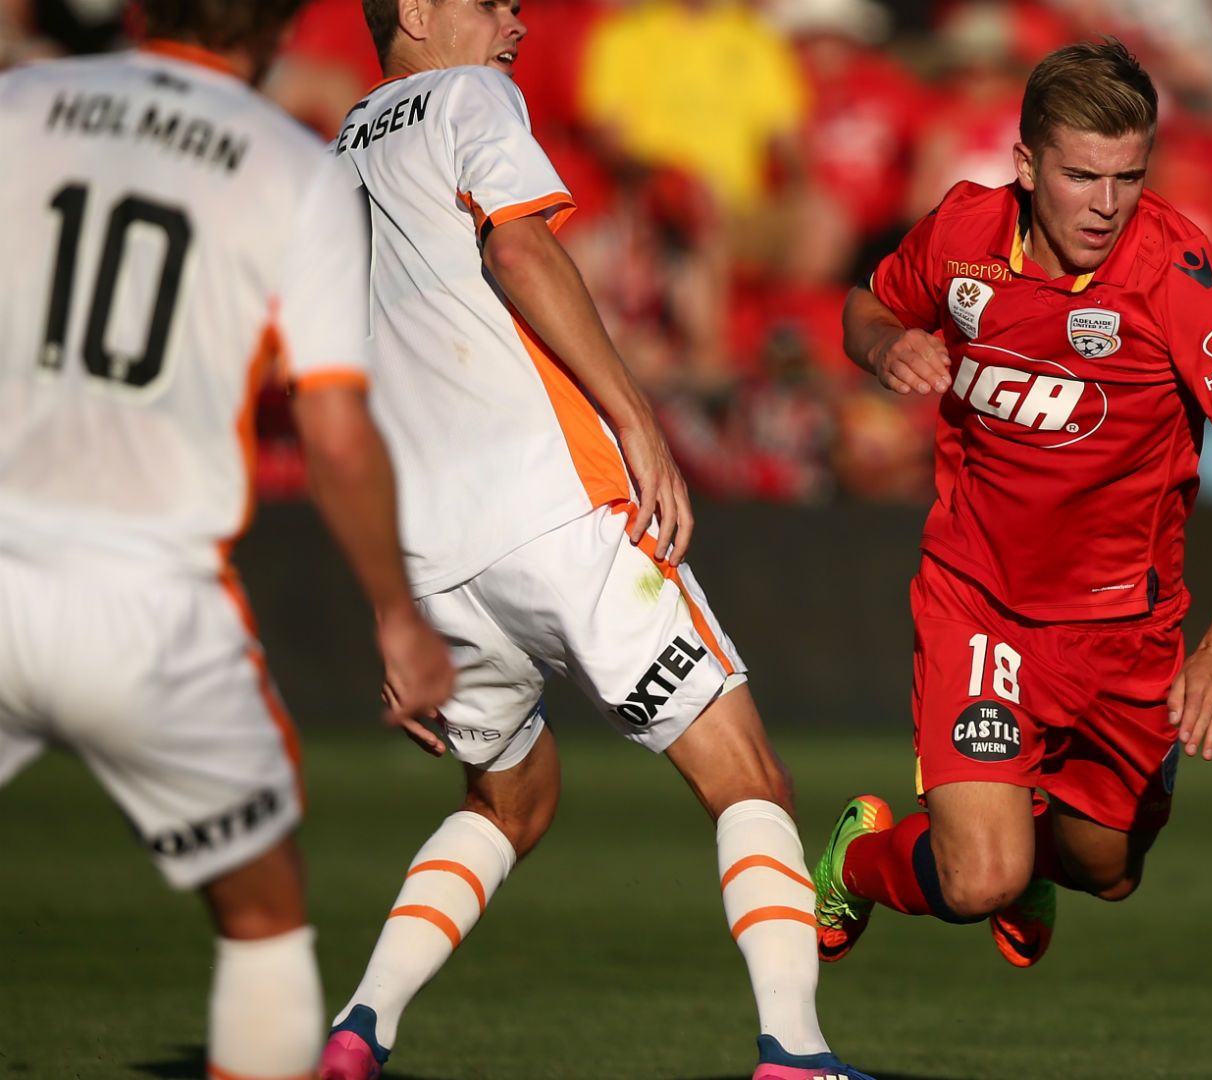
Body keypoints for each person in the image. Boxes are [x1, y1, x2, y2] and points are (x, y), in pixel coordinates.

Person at [317, 3, 871, 1079]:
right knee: (749, 780)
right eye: (490, 1)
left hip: (430, 555)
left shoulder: (336, 158)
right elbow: (521, 245)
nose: (516, 20)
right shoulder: (469, 94)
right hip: (554, 506)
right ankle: (795, 1053)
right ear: (417, 11)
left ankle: (358, 1029)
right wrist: (637, 421)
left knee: (510, 799)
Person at [0, 2, 456, 1077]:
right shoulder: (291, 169)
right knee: (263, 916)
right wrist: (399, 615)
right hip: (155, 600)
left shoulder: (19, 105)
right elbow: (334, 433)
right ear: (283, 29)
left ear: (137, 7)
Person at [814, 40, 1212, 973]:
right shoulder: (961, 233)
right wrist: (884, 347)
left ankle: (1037, 861)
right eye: (1081, 176)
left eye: (1128, 177)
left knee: (1106, 872)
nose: (1107, 203)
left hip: (1127, 632)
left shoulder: (1179, 275)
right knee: (979, 878)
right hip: (982, 603)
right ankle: (862, 860)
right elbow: (865, 306)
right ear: (1025, 164)